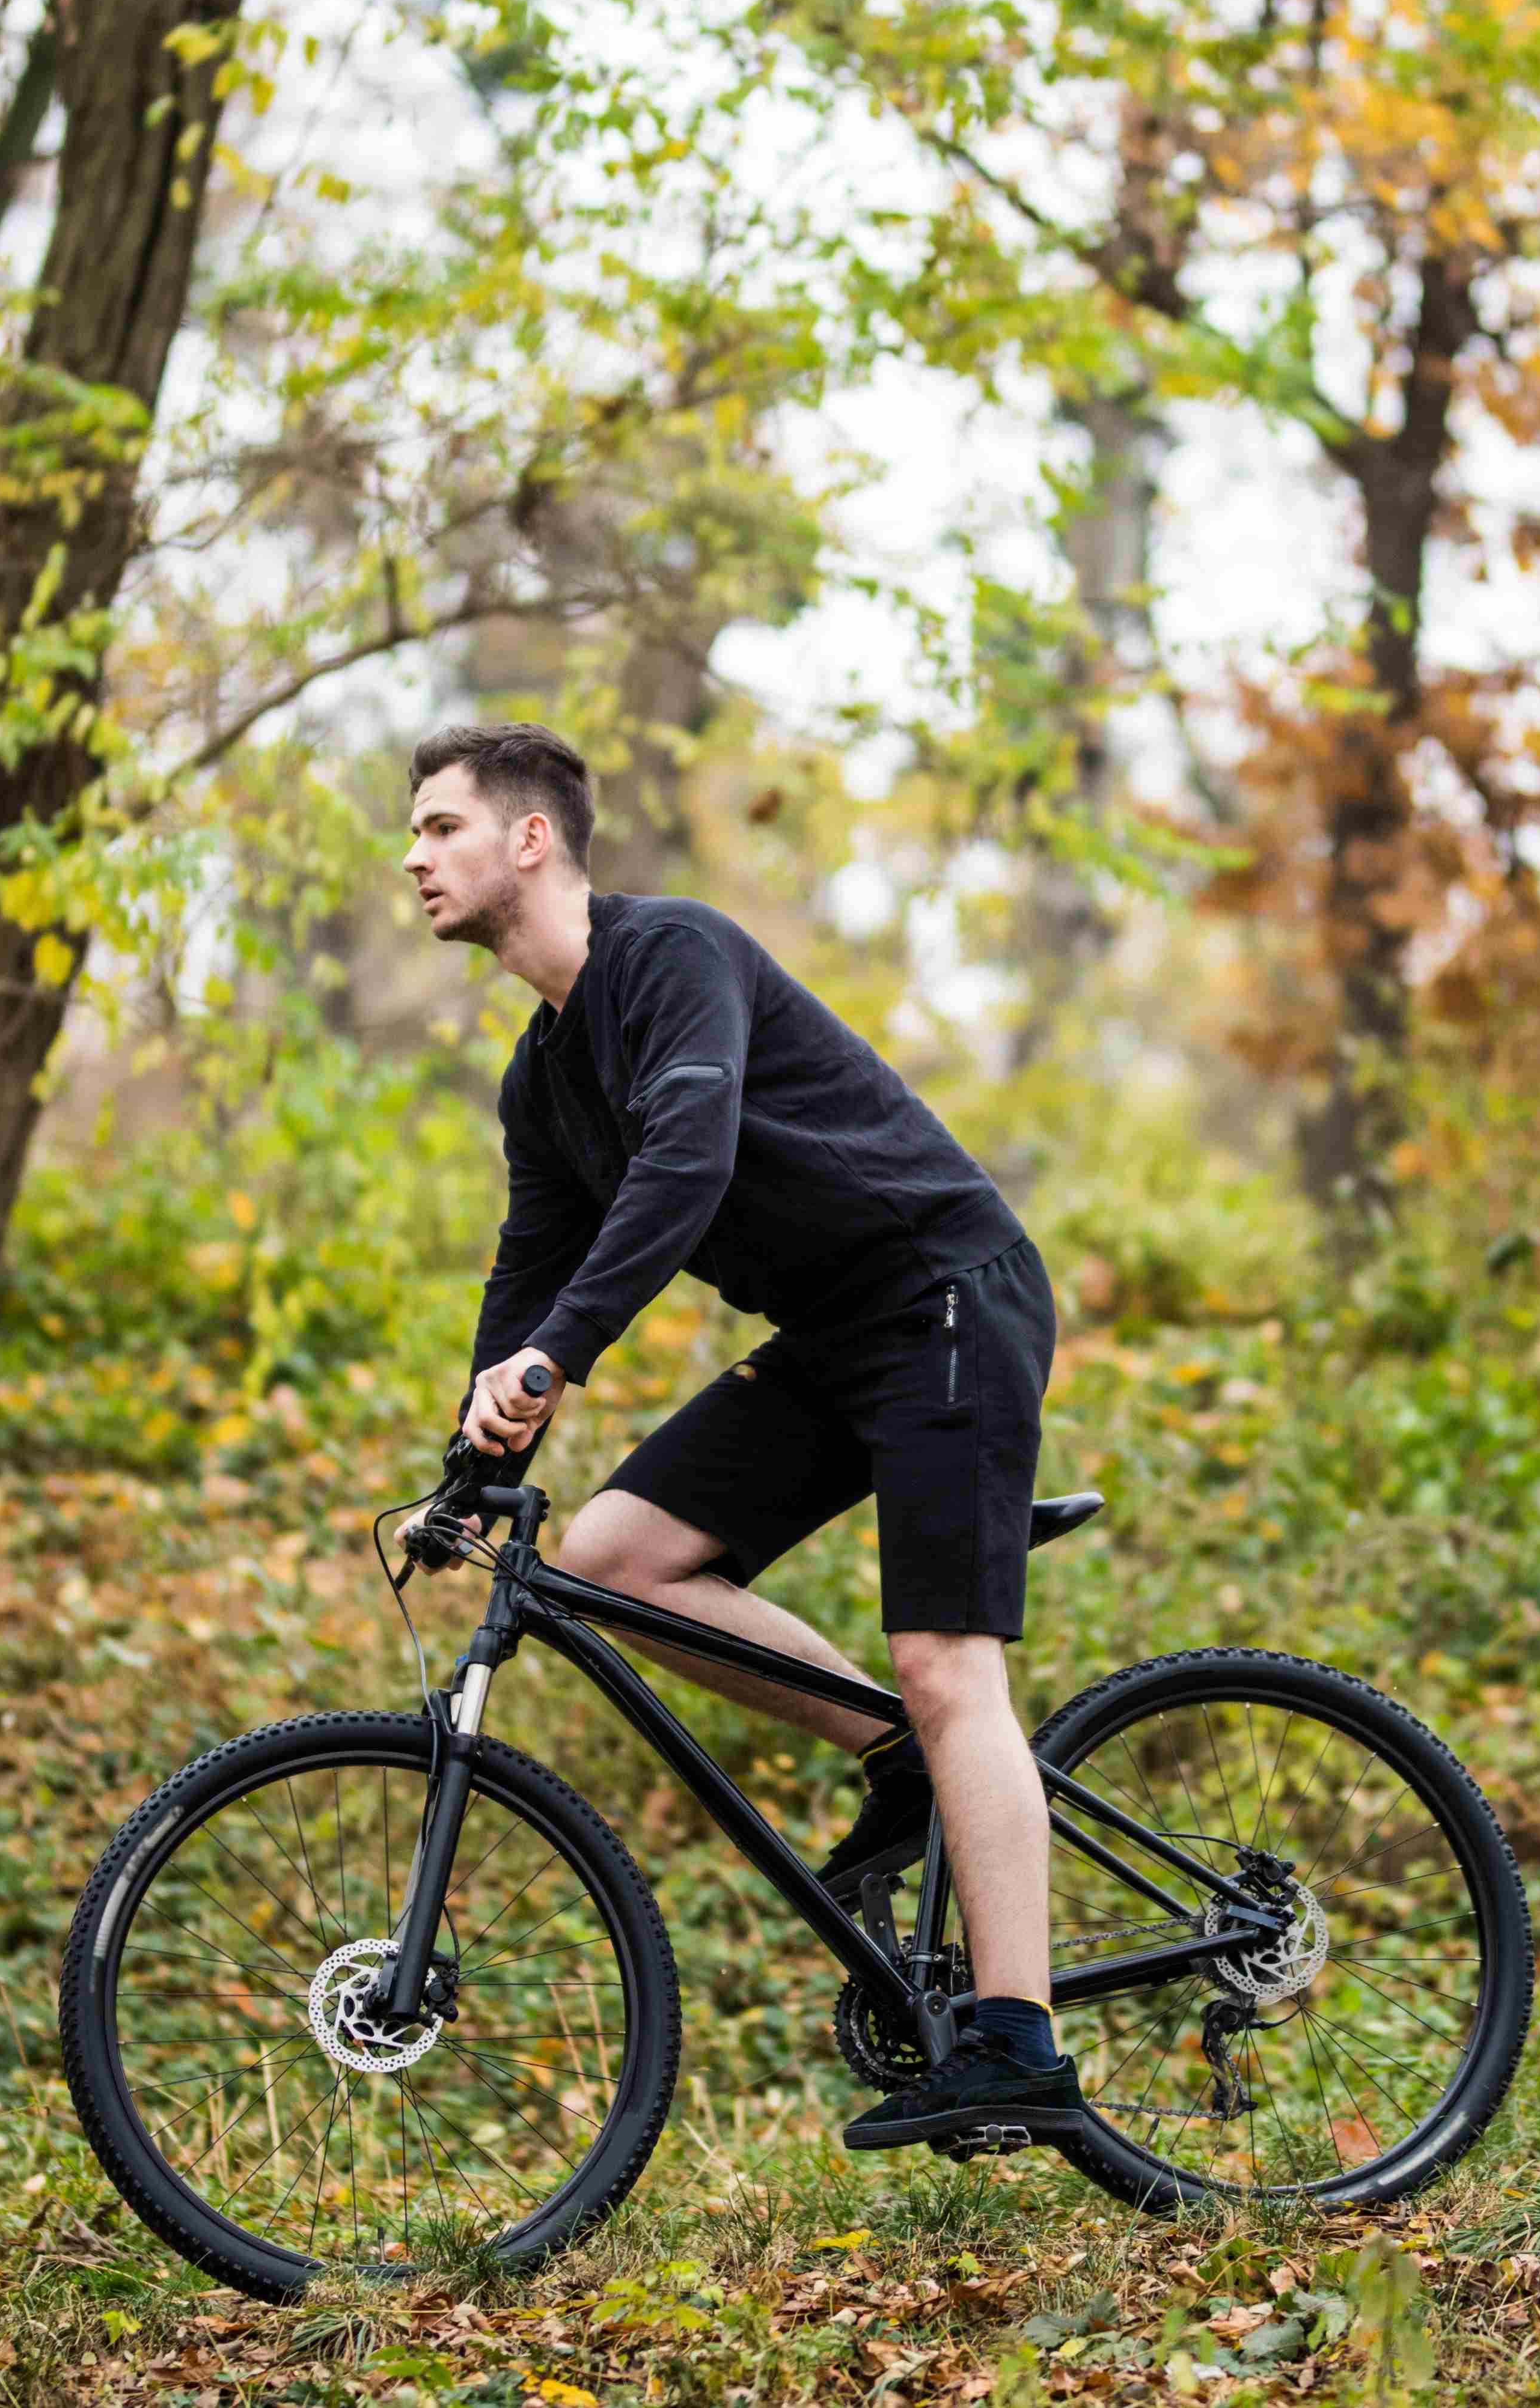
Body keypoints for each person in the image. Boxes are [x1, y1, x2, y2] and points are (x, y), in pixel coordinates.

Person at [399, 719, 1078, 2154]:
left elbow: (687, 1166)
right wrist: (470, 1469)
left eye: (439, 826)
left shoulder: (672, 957)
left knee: (946, 1663)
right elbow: (530, 1269)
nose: (414, 859)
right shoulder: (543, 1076)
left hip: (947, 1293)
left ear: (532, 838)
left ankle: (1020, 2043)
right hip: (838, 1338)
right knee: (614, 1552)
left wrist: (556, 1359)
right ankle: (907, 1768)